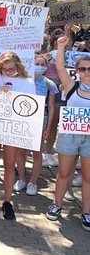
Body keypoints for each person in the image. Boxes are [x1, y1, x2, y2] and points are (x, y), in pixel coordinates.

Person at [0, 33, 36, 220]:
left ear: (18, 66)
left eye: (11, 69)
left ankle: (8, 201)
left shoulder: (27, 83)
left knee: (10, 165)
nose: (8, 72)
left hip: (13, 129)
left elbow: (30, 108)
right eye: (5, 69)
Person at [46, 37, 90, 230]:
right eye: (82, 69)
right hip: (69, 135)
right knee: (64, 173)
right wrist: (61, 46)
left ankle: (87, 212)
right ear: (77, 71)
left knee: (88, 177)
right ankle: (57, 205)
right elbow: (60, 67)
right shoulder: (72, 86)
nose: (87, 73)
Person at [14, 54, 58, 196]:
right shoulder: (24, 81)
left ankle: (33, 182)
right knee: (21, 151)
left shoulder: (49, 84)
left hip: (40, 120)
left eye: (42, 64)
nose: (39, 66)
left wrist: (48, 127)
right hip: (24, 119)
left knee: (37, 153)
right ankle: (21, 179)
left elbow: (50, 107)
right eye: (36, 63)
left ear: (46, 67)